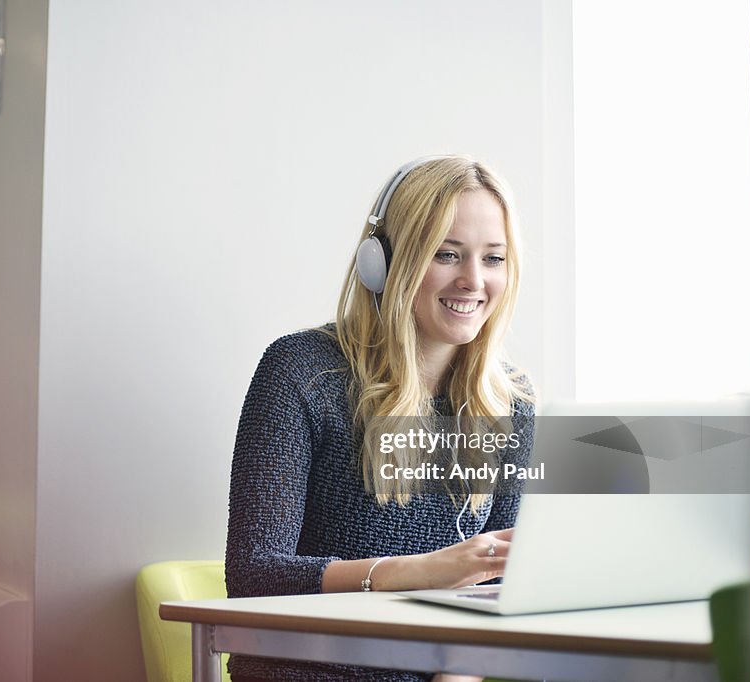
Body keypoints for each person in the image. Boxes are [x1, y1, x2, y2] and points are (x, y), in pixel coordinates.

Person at [225, 155, 536, 682]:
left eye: (494, 259)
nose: (473, 280)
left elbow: (503, 590)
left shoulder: (511, 406)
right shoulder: (302, 373)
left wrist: (457, 674)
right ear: (383, 262)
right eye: (447, 254)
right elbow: (254, 574)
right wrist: (418, 573)